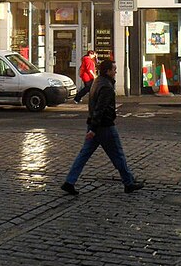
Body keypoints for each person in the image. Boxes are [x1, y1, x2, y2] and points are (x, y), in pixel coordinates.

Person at [61, 59, 144, 195]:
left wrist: (92, 127)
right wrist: (94, 128)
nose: (116, 71)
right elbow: (100, 109)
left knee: (84, 155)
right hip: (104, 127)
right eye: (114, 69)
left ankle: (69, 182)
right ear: (108, 71)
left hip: (94, 125)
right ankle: (128, 183)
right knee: (118, 154)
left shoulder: (97, 82)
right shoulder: (106, 87)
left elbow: (94, 107)